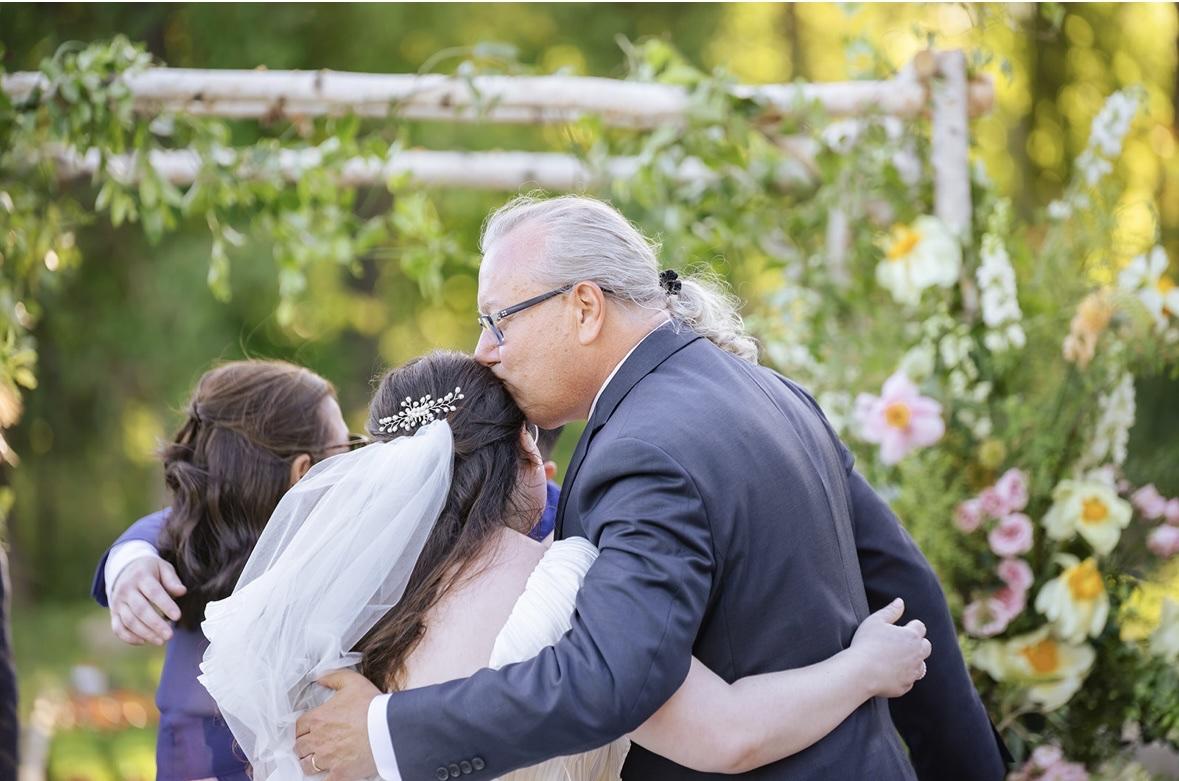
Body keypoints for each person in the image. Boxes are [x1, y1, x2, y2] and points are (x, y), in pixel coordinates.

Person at [298, 195, 1010, 781]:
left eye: (497, 321)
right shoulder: (772, 391)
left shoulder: (640, 451)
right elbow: (905, 584)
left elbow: (611, 676)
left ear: (584, 307)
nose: (484, 350)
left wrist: (388, 733)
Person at [197, 350, 931, 781]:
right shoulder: (564, 582)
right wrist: (866, 666)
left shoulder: (339, 608)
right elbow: (728, 734)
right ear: (526, 448)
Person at [90, 359, 353, 781]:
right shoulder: (193, 554)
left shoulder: (346, 554)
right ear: (302, 470)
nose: (358, 464)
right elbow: (167, 525)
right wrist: (129, 560)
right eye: (346, 447)